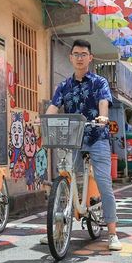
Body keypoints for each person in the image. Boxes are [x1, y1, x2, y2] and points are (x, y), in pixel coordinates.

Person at [43, 39, 122, 251]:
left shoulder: (99, 82)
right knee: (66, 178)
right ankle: (56, 228)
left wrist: (103, 117)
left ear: (90, 57)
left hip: (97, 136)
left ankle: (112, 233)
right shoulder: (64, 86)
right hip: (72, 139)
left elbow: (103, 103)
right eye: (76, 54)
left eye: (83, 54)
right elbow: (53, 106)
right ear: (71, 58)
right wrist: (44, 120)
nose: (79, 57)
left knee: (105, 183)